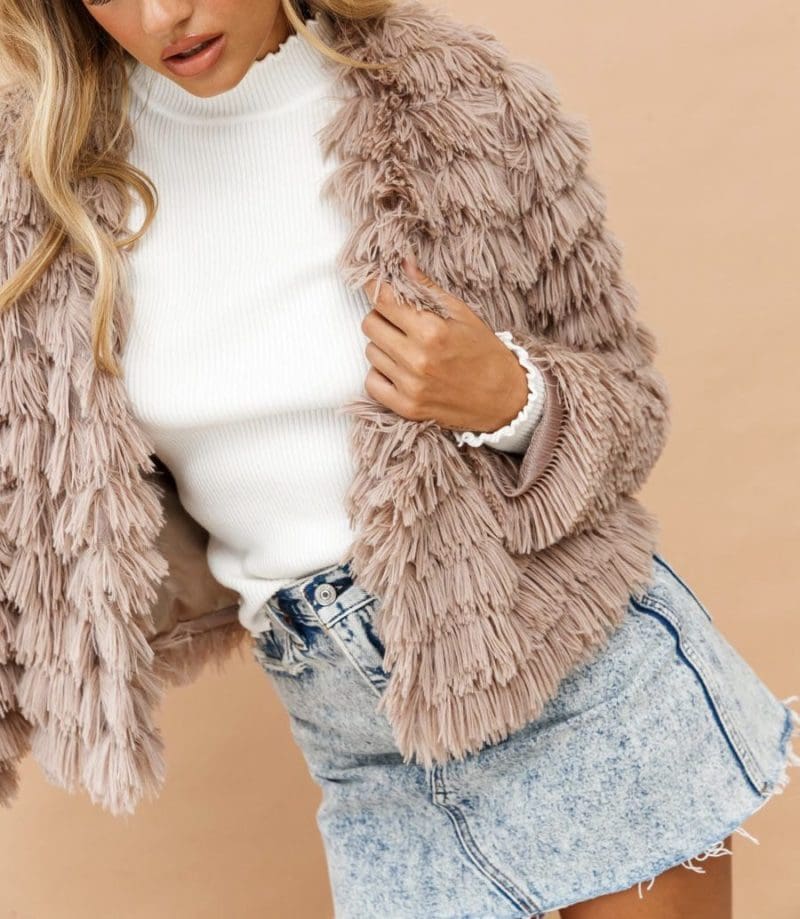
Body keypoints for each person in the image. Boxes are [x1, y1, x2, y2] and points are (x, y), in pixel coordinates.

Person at [0, 0, 797, 915]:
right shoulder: (41, 179)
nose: (162, 14)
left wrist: (513, 396)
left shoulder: (454, 99)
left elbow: (631, 404)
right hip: (362, 751)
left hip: (578, 688)